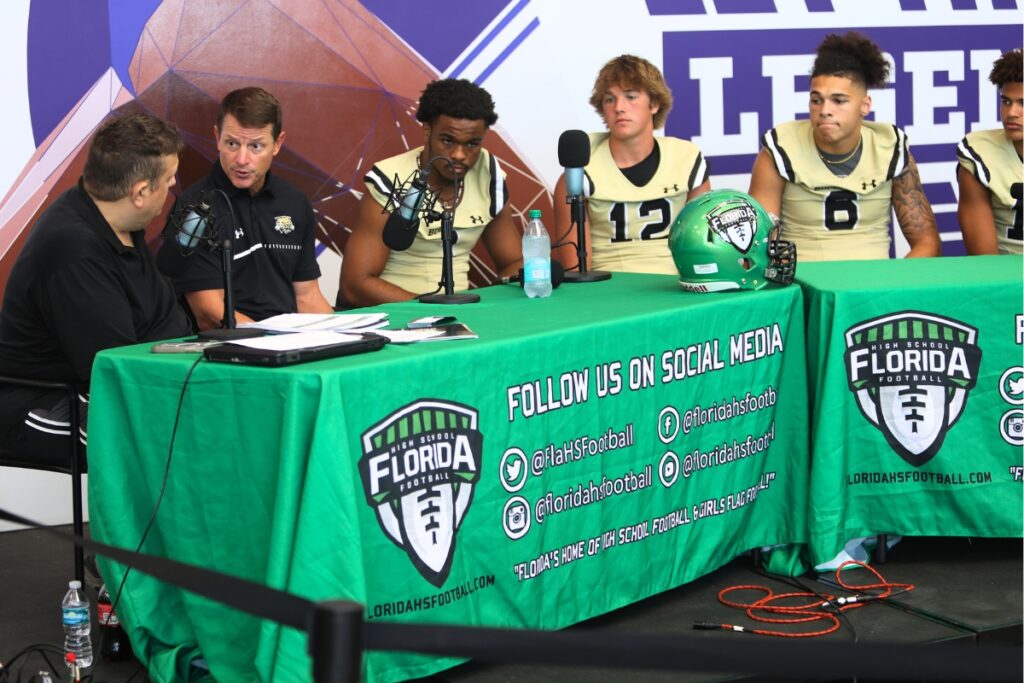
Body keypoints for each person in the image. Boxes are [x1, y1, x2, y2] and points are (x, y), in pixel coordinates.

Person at [0, 112, 192, 462]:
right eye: (168, 178)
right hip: (40, 403)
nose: (174, 183)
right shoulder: (74, 250)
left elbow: (167, 322)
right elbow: (115, 366)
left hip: (100, 385)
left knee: (206, 416)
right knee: (177, 433)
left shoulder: (121, 221)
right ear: (140, 192)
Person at [748, 32, 941, 261]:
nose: (825, 110)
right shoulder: (780, 150)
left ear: (865, 105)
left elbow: (927, 243)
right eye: (816, 100)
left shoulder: (890, 148)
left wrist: (894, 286)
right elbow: (758, 244)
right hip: (804, 284)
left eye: (839, 101)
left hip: (874, 285)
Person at [158, 87, 333, 329]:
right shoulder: (194, 208)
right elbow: (208, 311)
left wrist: (344, 339)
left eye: (255, 147)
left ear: (278, 143)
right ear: (217, 137)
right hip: (231, 351)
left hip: (290, 344)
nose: (241, 159)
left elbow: (307, 297)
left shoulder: (295, 202)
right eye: (231, 143)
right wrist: (273, 341)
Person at [337, 79, 522, 307]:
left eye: (473, 144)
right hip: (395, 315)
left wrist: (491, 304)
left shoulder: (488, 173)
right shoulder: (389, 179)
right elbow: (355, 285)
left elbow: (513, 262)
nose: (459, 155)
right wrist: (432, 312)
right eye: (448, 140)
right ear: (427, 130)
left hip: (459, 315)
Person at [551, 54, 710, 275]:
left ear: (654, 104)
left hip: (675, 285)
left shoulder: (686, 158)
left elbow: (703, 247)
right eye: (609, 99)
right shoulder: (580, 169)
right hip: (607, 288)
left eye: (631, 97)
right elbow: (575, 270)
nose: (619, 107)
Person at [956, 48, 1022, 255]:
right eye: (1006, 102)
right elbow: (985, 261)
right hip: (1008, 280)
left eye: (1023, 103)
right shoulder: (980, 153)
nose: (1011, 113)